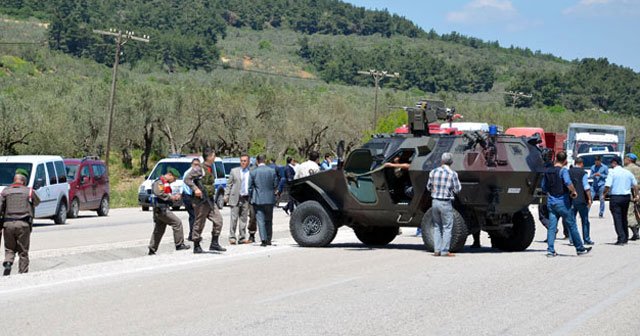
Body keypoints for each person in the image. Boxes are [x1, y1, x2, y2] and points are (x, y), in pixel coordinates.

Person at [542, 151, 592, 257]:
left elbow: (544, 187)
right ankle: (580, 248)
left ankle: (550, 250)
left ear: (556, 158)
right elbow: (568, 183)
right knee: (572, 224)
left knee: (552, 227)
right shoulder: (563, 171)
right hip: (563, 202)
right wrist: (573, 192)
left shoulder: (548, 171)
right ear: (565, 161)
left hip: (551, 202)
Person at [184, 148, 226, 254]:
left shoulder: (210, 168)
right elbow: (187, 179)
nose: (214, 157)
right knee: (199, 223)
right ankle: (196, 245)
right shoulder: (199, 169)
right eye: (213, 155)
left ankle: (214, 243)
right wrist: (196, 189)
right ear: (209, 156)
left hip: (210, 200)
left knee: (218, 220)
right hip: (201, 201)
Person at [0, 168, 40, 275]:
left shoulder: (5, 191)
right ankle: (22, 273)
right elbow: (37, 202)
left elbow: (0, 207)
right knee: (23, 251)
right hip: (23, 224)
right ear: (23, 181)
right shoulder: (29, 191)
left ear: (14, 180)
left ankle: (8, 262)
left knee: (9, 248)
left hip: (8, 224)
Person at [148, 168, 190, 255]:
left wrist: (174, 198)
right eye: (174, 179)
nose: (174, 181)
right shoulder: (159, 182)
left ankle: (152, 249)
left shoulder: (165, 183)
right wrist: (172, 197)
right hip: (161, 209)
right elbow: (159, 193)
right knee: (177, 223)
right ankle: (179, 245)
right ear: (170, 175)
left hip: (162, 208)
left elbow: (166, 195)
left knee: (159, 229)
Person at [426, 153, 462, 257]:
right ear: (451, 162)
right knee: (447, 227)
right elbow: (458, 189)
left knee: (437, 226)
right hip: (445, 202)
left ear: (441, 161)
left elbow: (428, 187)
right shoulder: (452, 174)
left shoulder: (433, 172)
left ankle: (437, 250)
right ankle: (445, 251)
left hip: (435, 201)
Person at [604, 156, 639, 245]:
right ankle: (625, 237)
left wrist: (604, 194)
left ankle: (621, 238)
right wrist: (637, 195)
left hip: (616, 197)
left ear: (614, 163)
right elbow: (635, 185)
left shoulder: (612, 172)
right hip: (626, 197)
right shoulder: (627, 172)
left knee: (617, 218)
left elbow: (608, 185)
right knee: (624, 217)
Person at [249, 155, 279, 247]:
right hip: (269, 199)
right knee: (269, 220)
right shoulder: (272, 171)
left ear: (257, 161)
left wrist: (251, 197)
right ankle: (269, 238)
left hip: (258, 199)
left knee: (260, 220)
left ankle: (263, 239)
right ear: (264, 160)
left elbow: (250, 187)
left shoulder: (253, 172)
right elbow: (275, 184)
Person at [224, 154, 251, 245]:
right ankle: (232, 237)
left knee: (243, 219)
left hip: (246, 198)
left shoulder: (251, 172)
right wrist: (226, 195)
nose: (243, 162)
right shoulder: (234, 171)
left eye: (245, 161)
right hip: (235, 197)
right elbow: (229, 184)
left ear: (248, 162)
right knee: (234, 219)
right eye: (242, 161)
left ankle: (242, 237)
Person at [569, 157, 594, 245]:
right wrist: (590, 198)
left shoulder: (569, 172)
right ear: (582, 164)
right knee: (585, 220)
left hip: (571, 199)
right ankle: (586, 239)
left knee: (572, 220)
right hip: (581, 200)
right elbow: (586, 187)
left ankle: (572, 240)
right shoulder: (583, 173)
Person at [182, 158, 200, 241]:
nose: (197, 166)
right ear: (192, 164)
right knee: (193, 216)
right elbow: (188, 187)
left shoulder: (197, 173)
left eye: (198, 165)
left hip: (193, 196)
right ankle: (192, 235)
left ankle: (193, 234)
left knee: (194, 216)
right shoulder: (188, 173)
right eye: (195, 164)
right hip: (188, 196)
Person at [624, 153, 640, 240]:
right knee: (638, 213)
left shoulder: (626, 169)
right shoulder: (638, 168)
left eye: (625, 158)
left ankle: (635, 232)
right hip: (638, 192)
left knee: (629, 213)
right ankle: (636, 232)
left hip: (631, 192)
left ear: (629, 159)